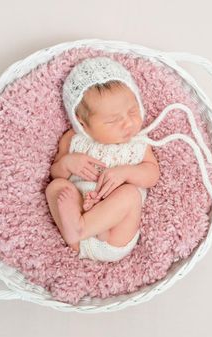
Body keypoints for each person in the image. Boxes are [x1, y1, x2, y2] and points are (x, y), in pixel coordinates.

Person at [45, 57, 160, 262]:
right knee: (57, 187)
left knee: (131, 195)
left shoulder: (138, 144)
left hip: (116, 236)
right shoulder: (74, 140)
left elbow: (152, 175)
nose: (127, 124)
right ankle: (77, 226)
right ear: (83, 123)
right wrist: (67, 163)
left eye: (133, 111)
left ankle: (84, 227)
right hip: (77, 223)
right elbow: (56, 173)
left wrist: (126, 173)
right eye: (113, 120)